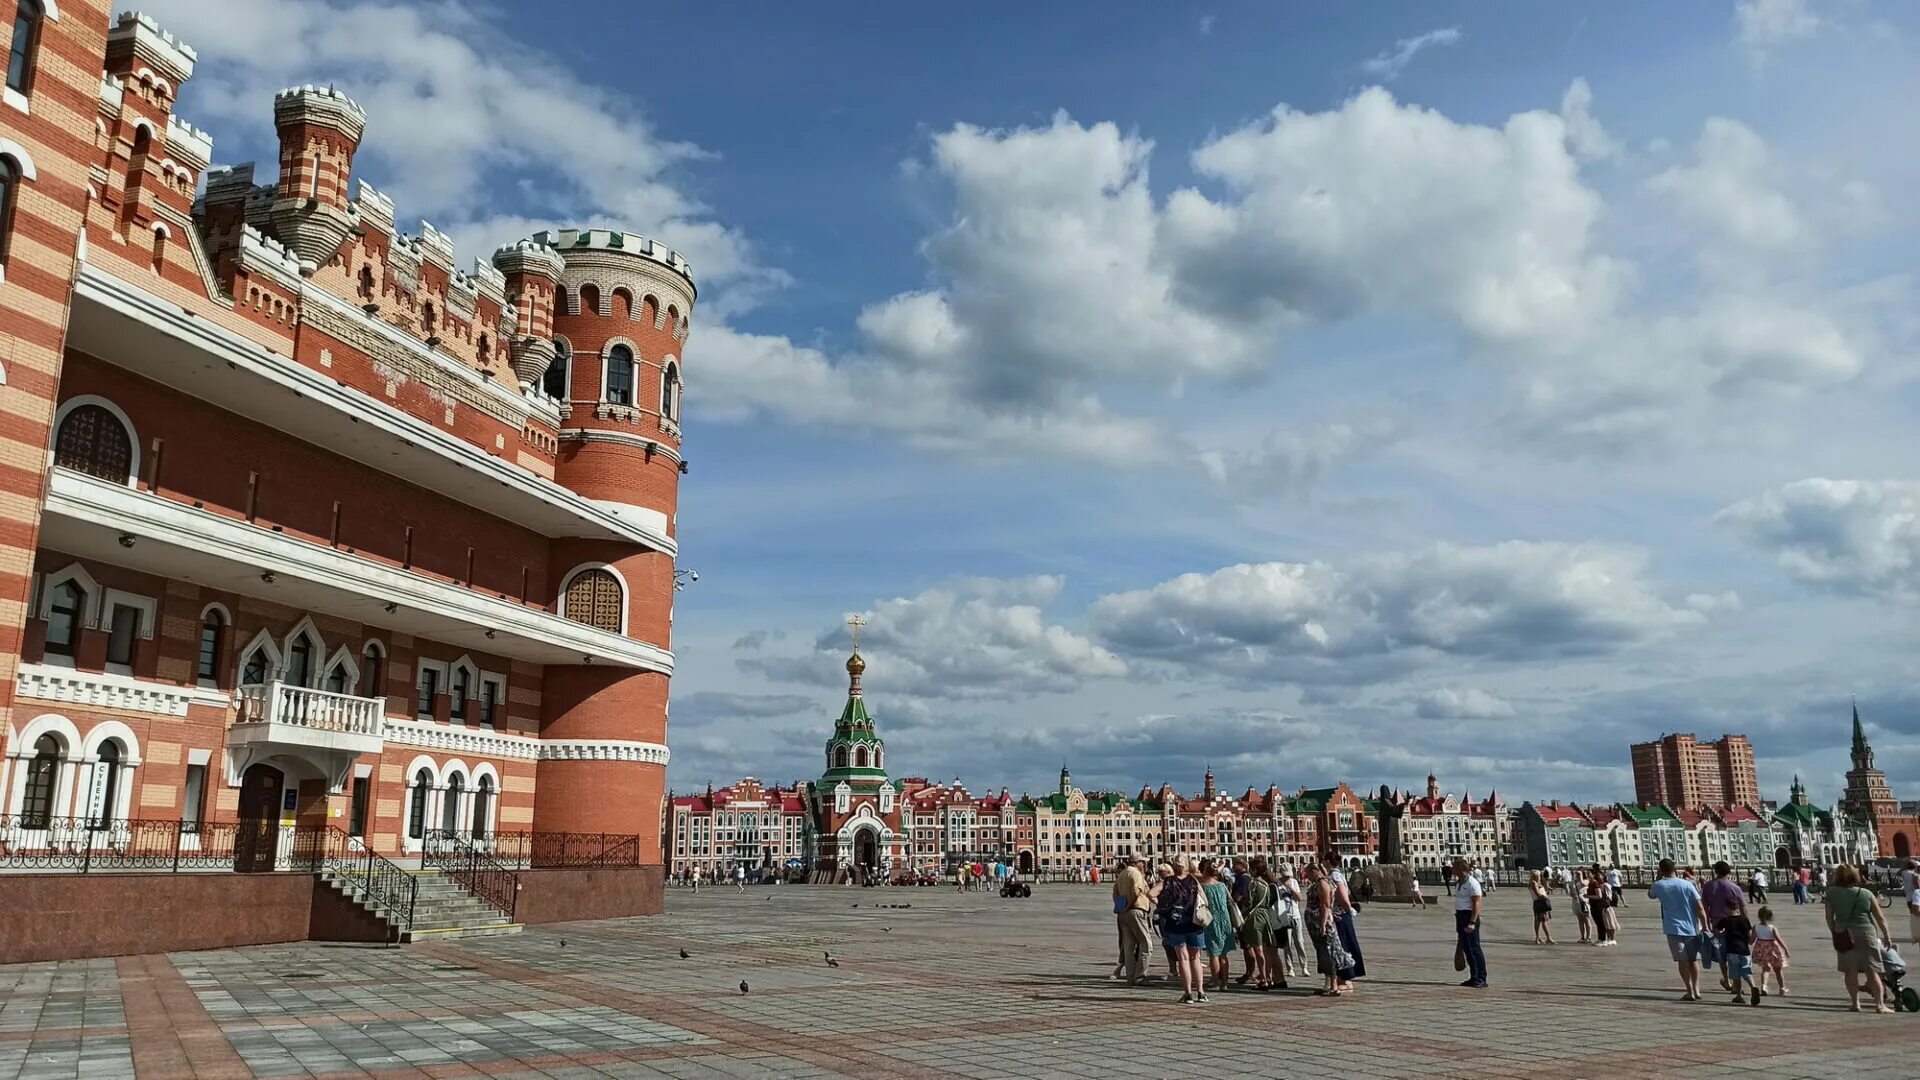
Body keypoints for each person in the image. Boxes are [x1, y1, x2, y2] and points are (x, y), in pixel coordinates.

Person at [1824, 863, 1895, 1013]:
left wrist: (1835, 933)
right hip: (1866, 933)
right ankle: (1879, 1005)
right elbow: (1880, 917)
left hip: (1844, 934)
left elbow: (1829, 918)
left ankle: (1855, 1004)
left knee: (1850, 971)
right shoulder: (1866, 894)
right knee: (1872, 971)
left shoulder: (1831, 893)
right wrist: (1887, 935)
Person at [1648, 858, 1711, 1001]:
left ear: (1661, 870)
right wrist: (1705, 925)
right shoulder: (1687, 885)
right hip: (1691, 927)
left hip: (1672, 927)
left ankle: (1689, 991)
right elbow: (1700, 907)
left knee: (1682, 960)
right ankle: (1697, 989)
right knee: (1693, 960)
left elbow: (1650, 894)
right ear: (1675, 868)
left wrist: (1658, 877)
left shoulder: (1658, 885)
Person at [1155, 855, 1210, 1005]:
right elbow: (1204, 900)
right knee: (1196, 958)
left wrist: (1163, 906)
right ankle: (1201, 992)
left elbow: (1150, 893)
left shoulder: (1168, 881)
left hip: (1175, 924)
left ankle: (1188, 994)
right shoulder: (1193, 881)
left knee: (1183, 959)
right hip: (1194, 923)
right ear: (1186, 865)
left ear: (1174, 866)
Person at [1302, 862, 1351, 996]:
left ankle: (1334, 986)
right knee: (1323, 952)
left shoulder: (1322, 883)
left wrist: (1323, 924)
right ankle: (1327, 984)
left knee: (1328, 952)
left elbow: (1325, 905)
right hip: (1317, 922)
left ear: (1314, 871)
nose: (1307, 876)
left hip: (1321, 923)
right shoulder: (1324, 882)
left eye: (1307, 873)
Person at [1322, 853, 1366, 989]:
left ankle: (1347, 980)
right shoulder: (1335, 874)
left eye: (1323, 860)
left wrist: (1348, 908)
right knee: (1339, 945)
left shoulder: (1335, 876)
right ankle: (1342, 978)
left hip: (1341, 915)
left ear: (1328, 861)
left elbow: (1342, 895)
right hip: (1338, 914)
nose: (1322, 862)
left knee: (1343, 944)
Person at [1110, 856, 1153, 985]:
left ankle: (1130, 976)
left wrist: (1121, 907)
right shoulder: (1136, 874)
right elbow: (1136, 891)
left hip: (1124, 913)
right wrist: (1129, 905)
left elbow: (1115, 892)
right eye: (1143, 862)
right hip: (1136, 910)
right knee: (1146, 944)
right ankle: (1140, 976)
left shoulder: (1122, 874)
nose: (1144, 864)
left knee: (1128, 946)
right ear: (1137, 863)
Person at [1238, 858, 1279, 990]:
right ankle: (1269, 977)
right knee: (1267, 950)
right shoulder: (1267, 884)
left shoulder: (1253, 884)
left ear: (1254, 870)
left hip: (1254, 917)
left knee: (1258, 949)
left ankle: (1263, 978)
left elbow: (1248, 902)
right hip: (1265, 915)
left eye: (1251, 868)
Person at [1197, 859, 1236, 992]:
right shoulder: (1221, 885)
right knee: (1223, 954)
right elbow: (1229, 900)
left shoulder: (1203, 886)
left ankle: (1215, 979)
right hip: (1225, 921)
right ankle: (1224, 982)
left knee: (1213, 953)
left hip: (1211, 921)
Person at [1454, 857, 1487, 988]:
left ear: (1461, 869)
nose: (1452, 869)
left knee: (1474, 947)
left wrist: (1472, 922)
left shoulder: (1472, 883)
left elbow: (1477, 903)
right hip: (1461, 916)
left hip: (1469, 916)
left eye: (1454, 867)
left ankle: (1481, 977)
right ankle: (1473, 976)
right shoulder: (1459, 883)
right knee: (1467, 949)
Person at [1272, 865, 1309, 980]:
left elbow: (1300, 898)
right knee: (1287, 945)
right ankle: (1290, 968)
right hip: (1284, 917)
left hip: (1296, 915)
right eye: (1285, 875)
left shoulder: (1294, 882)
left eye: (1288, 875)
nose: (1287, 877)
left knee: (1300, 942)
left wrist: (1290, 888)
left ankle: (1304, 967)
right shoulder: (1277, 884)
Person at [1719, 902, 1757, 1005]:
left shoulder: (1726, 920)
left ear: (1727, 908)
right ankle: (1753, 987)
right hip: (1744, 950)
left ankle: (1739, 995)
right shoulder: (1744, 919)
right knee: (1747, 971)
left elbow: (1717, 929)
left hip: (1732, 950)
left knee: (1735, 973)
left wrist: (1722, 934)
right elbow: (1749, 935)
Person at [1753, 905, 1791, 998]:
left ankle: (1764, 987)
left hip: (1762, 948)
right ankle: (1782, 988)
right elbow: (1778, 939)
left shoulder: (1755, 927)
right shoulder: (1772, 927)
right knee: (1778, 970)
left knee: (1765, 969)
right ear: (1770, 917)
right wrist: (1786, 949)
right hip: (1773, 949)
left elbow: (1751, 940)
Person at [1587, 868, 1616, 946]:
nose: (1587, 874)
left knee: (1607, 923)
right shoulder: (1593, 883)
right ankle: (1601, 938)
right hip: (1596, 905)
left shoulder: (1601, 884)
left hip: (1603, 906)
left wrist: (1589, 896)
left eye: (1589, 873)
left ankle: (1606, 939)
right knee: (1600, 923)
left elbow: (1604, 896)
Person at [1529, 871, 1554, 945]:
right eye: (1539, 875)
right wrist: (1545, 898)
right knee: (1542, 921)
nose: (1540, 876)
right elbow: (1538, 894)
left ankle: (1539, 937)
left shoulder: (1537, 882)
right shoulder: (1533, 883)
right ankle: (1546, 938)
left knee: (1540, 921)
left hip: (1541, 902)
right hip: (1540, 903)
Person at [1901, 857, 1920, 946]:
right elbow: (1918, 887)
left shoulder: (1904, 873)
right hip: (1916, 898)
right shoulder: (1914, 875)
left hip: (1909, 898)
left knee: (1914, 918)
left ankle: (1916, 934)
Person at [1571, 870, 1593, 943]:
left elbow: (1582, 883)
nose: (1576, 875)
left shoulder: (1586, 881)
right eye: (1576, 874)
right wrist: (1573, 895)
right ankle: (1582, 936)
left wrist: (1580, 875)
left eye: (1578, 874)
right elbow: (1571, 891)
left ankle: (1588, 937)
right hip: (1576, 901)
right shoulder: (1574, 882)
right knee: (1580, 920)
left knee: (1586, 919)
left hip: (1583, 901)